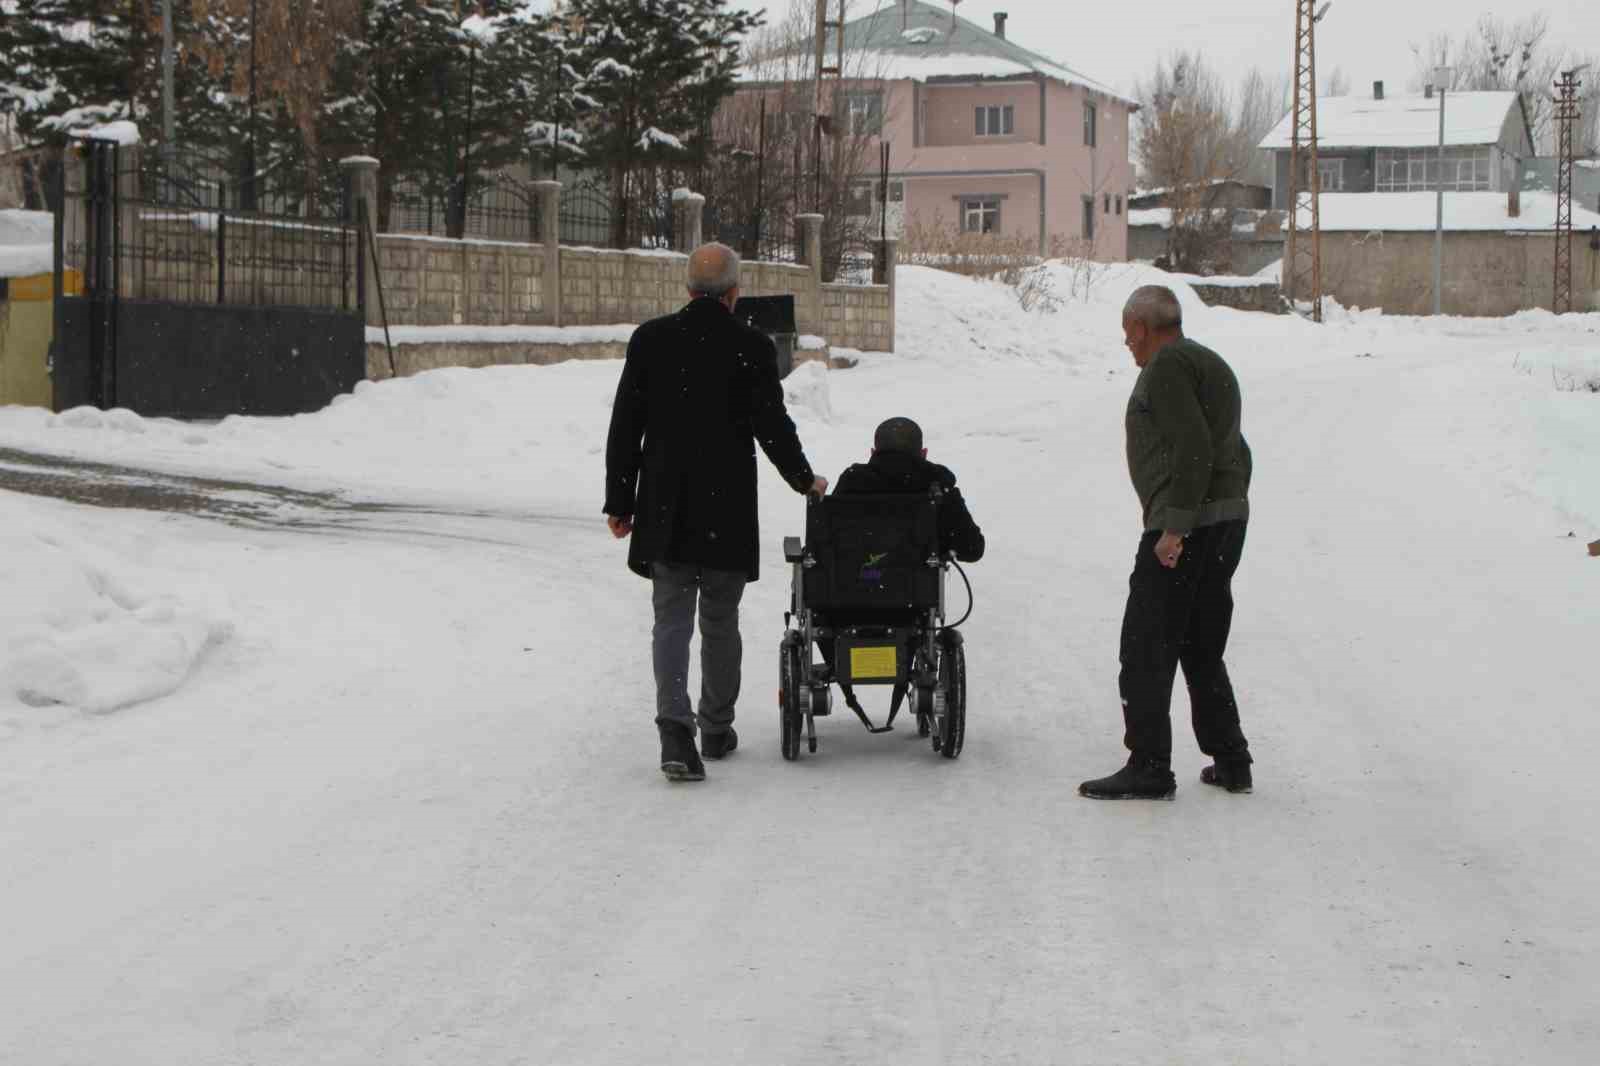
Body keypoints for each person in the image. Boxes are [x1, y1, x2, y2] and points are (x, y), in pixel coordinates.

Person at [604, 242, 827, 783]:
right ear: (734, 292)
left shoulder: (651, 340)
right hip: (724, 506)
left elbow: (625, 424)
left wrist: (620, 500)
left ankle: (673, 730)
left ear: (687, 288)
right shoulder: (749, 345)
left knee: (671, 619)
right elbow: (772, 426)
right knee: (721, 620)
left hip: (664, 503)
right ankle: (716, 726)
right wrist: (804, 479)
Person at [1079, 285, 1254, 801]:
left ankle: (1149, 764)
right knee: (1201, 646)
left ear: (1144, 326)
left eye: (1128, 333)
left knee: (1145, 646)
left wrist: (1175, 527)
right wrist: (1228, 508)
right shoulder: (1209, 362)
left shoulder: (1168, 367)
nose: (1127, 345)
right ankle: (1231, 759)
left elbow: (1194, 447)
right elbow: (1235, 450)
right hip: (1222, 521)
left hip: (1185, 526)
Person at [823, 417, 984, 711]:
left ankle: (839, 663)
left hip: (845, 603)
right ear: (923, 453)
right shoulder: (938, 487)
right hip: (912, 606)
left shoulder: (851, 483)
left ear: (873, 453)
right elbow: (972, 549)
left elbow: (826, 545)